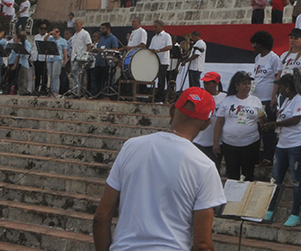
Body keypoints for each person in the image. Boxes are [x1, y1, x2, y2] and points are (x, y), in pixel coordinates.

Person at [92, 87, 226, 251]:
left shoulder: (131, 146)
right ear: (206, 124)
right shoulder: (205, 167)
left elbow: (101, 217)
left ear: (171, 111)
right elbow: (203, 244)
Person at [263, 71, 301, 225]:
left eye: (281, 87)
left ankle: (295, 213)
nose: (279, 90)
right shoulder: (286, 100)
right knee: (276, 179)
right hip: (282, 144)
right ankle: (270, 210)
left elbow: (296, 119)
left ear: (288, 87)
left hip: (297, 144)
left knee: (296, 180)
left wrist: (275, 124)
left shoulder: (299, 100)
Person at [213, 71, 266, 181]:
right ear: (236, 85)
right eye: (244, 84)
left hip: (250, 144)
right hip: (230, 145)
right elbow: (219, 122)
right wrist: (216, 142)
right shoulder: (227, 100)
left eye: (249, 84)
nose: (247, 86)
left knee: (248, 174)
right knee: (232, 175)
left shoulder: (255, 101)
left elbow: (262, 120)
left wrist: (263, 118)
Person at [250, 30, 282, 165]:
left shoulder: (274, 58)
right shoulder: (258, 58)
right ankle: (257, 155)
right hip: (256, 99)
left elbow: (278, 77)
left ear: (262, 44)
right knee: (257, 127)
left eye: (255, 44)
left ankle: (269, 156)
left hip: (268, 98)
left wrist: (274, 96)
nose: (253, 47)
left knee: (267, 129)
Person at [193, 72, 226, 168]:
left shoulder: (224, 97)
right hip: (200, 140)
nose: (205, 85)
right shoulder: (199, 96)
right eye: (204, 83)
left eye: (208, 83)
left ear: (216, 83)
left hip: (217, 142)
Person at [149, 20, 173, 102]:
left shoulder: (166, 36)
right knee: (151, 78)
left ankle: (160, 98)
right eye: (153, 27)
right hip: (154, 61)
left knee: (161, 80)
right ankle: (152, 95)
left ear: (161, 27)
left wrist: (158, 50)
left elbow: (169, 46)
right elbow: (150, 48)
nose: (154, 28)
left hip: (163, 61)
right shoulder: (154, 37)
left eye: (155, 27)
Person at [68, 18, 92, 98]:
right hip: (74, 57)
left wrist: (87, 55)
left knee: (76, 74)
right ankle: (77, 91)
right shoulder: (74, 36)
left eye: (77, 24)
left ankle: (77, 92)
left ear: (81, 24)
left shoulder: (85, 34)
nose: (75, 25)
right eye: (74, 24)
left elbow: (89, 45)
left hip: (81, 58)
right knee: (75, 75)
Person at [46, 27, 68, 96]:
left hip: (58, 58)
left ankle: (55, 90)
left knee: (56, 75)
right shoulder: (50, 39)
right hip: (50, 58)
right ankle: (51, 89)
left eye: (57, 32)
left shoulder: (63, 41)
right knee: (51, 75)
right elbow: (45, 40)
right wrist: (49, 34)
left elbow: (64, 51)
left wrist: (65, 60)